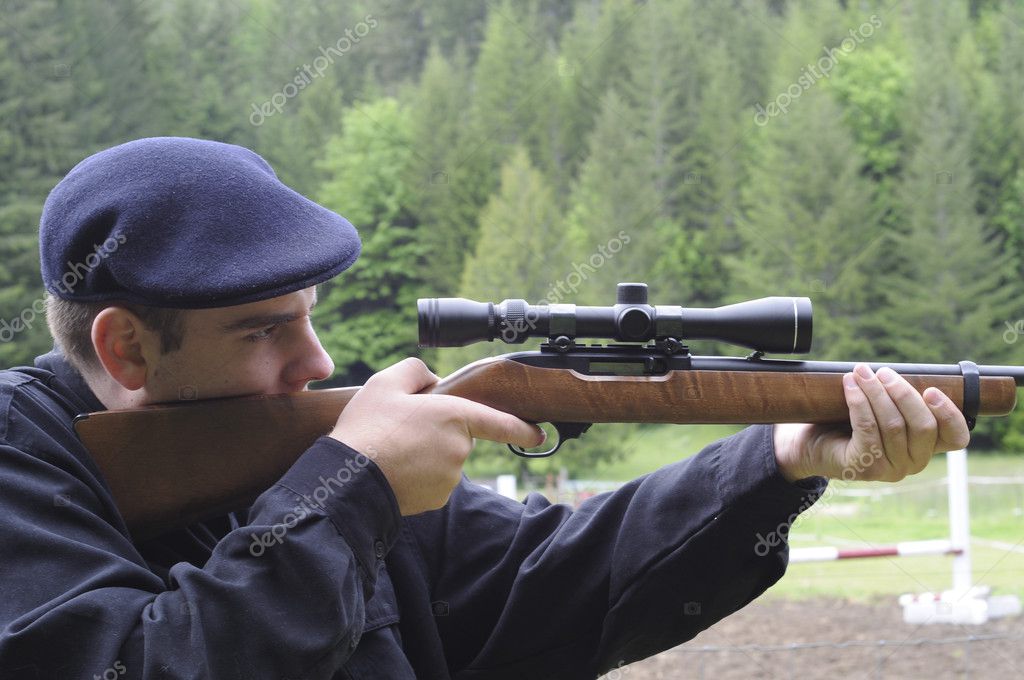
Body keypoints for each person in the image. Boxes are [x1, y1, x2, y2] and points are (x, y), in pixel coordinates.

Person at [0, 137, 969, 679]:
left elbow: (540, 584)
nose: (319, 359)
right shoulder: (20, 455)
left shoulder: (317, 447)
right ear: (127, 345)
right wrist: (354, 487)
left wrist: (778, 455)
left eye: (310, 317)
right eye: (262, 331)